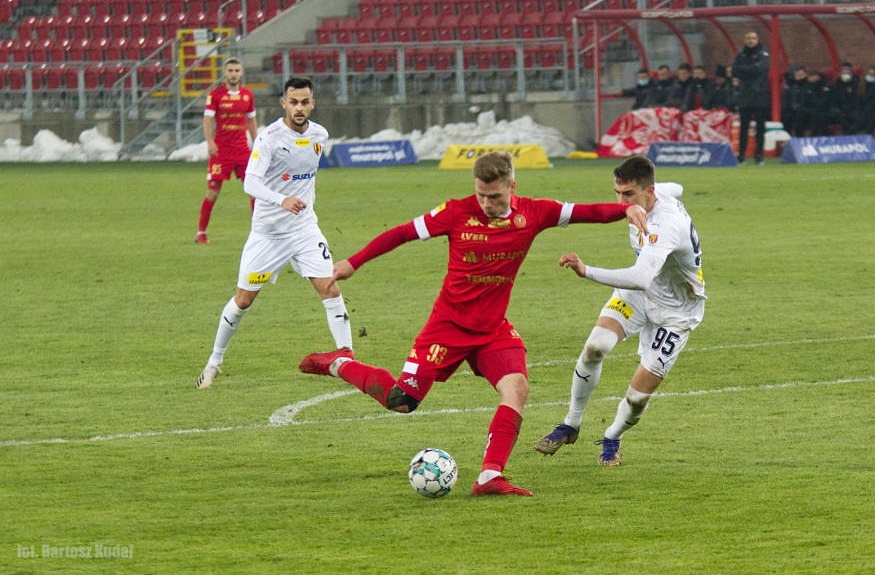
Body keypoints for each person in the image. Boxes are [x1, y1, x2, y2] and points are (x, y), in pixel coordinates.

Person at [298, 151, 650, 497]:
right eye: (481, 195)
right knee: (401, 401)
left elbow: (586, 212)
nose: (486, 203)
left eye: (494, 196)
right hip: (447, 327)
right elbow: (403, 233)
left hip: (492, 329)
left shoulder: (534, 212)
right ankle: (339, 363)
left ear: (512, 185)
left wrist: (626, 209)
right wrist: (353, 262)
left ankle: (489, 476)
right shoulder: (455, 212)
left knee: (517, 388)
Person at [535, 156, 705, 467]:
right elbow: (675, 187)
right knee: (595, 348)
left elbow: (640, 277)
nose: (621, 202)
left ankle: (613, 436)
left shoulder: (664, 225)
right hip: (639, 295)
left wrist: (587, 271)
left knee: (638, 399)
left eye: (629, 195)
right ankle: (570, 424)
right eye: (618, 192)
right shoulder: (656, 194)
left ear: (649, 192)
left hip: (677, 310)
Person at [196, 77, 351, 389]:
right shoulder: (269, 138)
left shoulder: (320, 134)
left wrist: (299, 202)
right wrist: (282, 199)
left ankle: (349, 359)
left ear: (312, 104)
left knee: (331, 290)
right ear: (284, 103)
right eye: (293, 102)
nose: (299, 108)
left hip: (305, 230)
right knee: (243, 301)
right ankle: (214, 361)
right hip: (268, 235)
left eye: (304, 102)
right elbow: (249, 183)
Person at [195, 57, 258, 244]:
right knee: (213, 193)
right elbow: (207, 120)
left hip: (242, 151)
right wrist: (209, 142)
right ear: (224, 72)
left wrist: (257, 144)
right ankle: (201, 233)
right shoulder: (215, 94)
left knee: (254, 191)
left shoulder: (248, 95)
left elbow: (251, 120)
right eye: (230, 70)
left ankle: (259, 234)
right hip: (221, 152)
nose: (233, 74)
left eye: (237, 70)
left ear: (242, 73)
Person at [732, 31, 771, 164]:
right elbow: (735, 71)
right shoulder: (740, 55)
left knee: (760, 127)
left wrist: (745, 70)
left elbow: (761, 69)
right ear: (744, 40)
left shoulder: (763, 54)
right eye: (748, 38)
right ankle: (741, 155)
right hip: (745, 95)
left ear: (757, 39)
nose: (750, 40)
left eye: (753, 38)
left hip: (760, 95)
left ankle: (759, 155)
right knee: (744, 127)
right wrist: (750, 69)